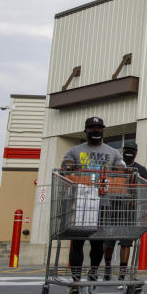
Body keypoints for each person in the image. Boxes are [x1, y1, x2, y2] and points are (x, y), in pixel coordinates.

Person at [61, 116, 125, 281]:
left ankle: (94, 270)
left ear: (103, 130)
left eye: (99, 128)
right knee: (78, 241)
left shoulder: (113, 152)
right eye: (92, 128)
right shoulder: (75, 150)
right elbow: (65, 167)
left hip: (103, 202)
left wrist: (118, 171)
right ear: (86, 131)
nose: (96, 130)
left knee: (98, 242)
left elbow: (120, 170)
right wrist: (69, 167)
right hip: (81, 202)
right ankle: (76, 276)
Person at [102, 140, 147, 280]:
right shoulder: (115, 167)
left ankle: (122, 272)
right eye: (127, 149)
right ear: (122, 152)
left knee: (126, 243)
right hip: (113, 209)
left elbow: (145, 189)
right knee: (109, 242)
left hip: (130, 211)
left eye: (132, 150)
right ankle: (108, 267)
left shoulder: (141, 170)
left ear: (136, 153)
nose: (129, 152)